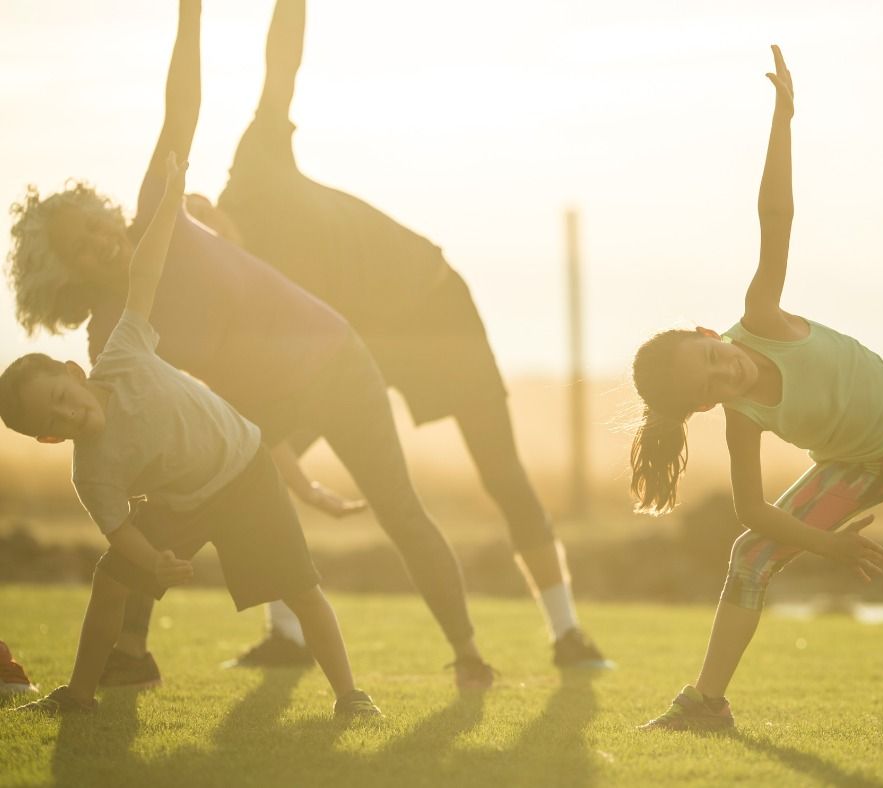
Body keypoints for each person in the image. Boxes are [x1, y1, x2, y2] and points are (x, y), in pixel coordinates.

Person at [6, 0, 493, 690]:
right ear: (65, 277)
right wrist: (294, 478)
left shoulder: (157, 211)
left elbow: (184, 103)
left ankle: (469, 653)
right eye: (80, 249)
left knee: (399, 508)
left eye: (93, 223)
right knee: (160, 510)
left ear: (106, 210)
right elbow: (174, 421)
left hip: (337, 360)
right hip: (260, 410)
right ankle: (129, 657)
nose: (100, 241)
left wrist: (189, 14)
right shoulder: (108, 333)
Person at [179, 0, 609, 672]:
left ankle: (568, 635)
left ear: (208, 202)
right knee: (263, 459)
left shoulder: (254, 165)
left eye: (203, 219)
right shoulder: (234, 288)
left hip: (434, 306)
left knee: (502, 474)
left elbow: (281, 65)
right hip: (351, 345)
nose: (208, 236)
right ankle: (285, 636)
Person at [2, 153, 380, 717]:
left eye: (61, 400)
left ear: (75, 375)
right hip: (185, 501)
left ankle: (350, 696)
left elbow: (146, 271)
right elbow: (119, 529)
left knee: (300, 588)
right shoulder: (92, 470)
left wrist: (169, 204)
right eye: (52, 424)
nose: (67, 416)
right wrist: (153, 561)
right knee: (112, 580)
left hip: (246, 471)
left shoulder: (123, 351)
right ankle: (79, 696)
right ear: (50, 441)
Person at [629, 46, 883, 731]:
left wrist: (783, 116)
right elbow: (754, 513)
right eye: (710, 383)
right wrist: (828, 546)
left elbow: (776, 216)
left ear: (712, 330)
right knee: (750, 557)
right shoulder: (743, 417)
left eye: (711, 355)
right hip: (854, 465)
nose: (723, 371)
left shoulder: (761, 319)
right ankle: (705, 705)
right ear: (707, 406)